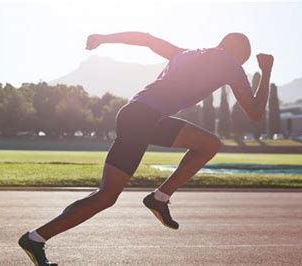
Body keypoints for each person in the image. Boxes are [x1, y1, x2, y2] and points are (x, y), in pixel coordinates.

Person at [18, 31, 274, 265]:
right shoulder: (229, 63)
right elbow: (254, 113)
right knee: (107, 196)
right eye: (243, 62)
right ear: (237, 54)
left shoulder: (184, 53)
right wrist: (266, 71)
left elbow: (146, 39)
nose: (239, 68)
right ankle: (37, 238)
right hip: (144, 119)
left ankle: (159, 198)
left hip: (138, 115)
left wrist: (103, 38)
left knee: (208, 144)